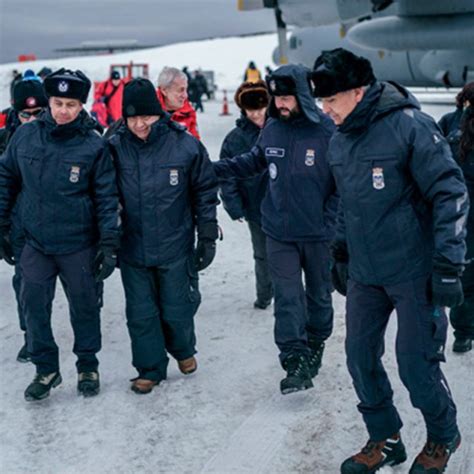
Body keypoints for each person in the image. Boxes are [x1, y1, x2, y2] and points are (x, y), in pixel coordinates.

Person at [312, 48, 468, 474]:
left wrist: (450, 265)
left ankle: (442, 435)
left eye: (331, 101)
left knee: (416, 364)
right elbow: (347, 200)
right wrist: (341, 250)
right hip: (366, 271)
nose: (326, 112)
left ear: (358, 91)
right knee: (359, 357)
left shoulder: (409, 127)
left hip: (414, 271)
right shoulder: (340, 138)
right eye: (321, 103)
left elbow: (450, 193)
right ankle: (386, 438)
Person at [214, 64, 337, 395]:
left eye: (286, 97)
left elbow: (343, 185)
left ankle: (316, 341)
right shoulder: (272, 128)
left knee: (318, 297)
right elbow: (254, 160)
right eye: (276, 97)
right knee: (286, 297)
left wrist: (330, 220)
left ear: (303, 96)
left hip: (317, 233)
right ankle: (294, 358)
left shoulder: (327, 131)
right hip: (278, 230)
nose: (280, 103)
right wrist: (213, 169)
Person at [0, 68, 120, 401]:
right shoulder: (25, 137)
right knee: (33, 306)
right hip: (35, 242)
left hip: (78, 244)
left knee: (84, 307)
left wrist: (109, 243)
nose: (63, 110)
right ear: (48, 102)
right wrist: (2, 228)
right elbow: (6, 179)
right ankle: (46, 369)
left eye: (70, 103)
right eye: (57, 102)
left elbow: (107, 199)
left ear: (82, 105)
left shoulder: (94, 146)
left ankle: (87, 365)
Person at [108, 78, 219, 395]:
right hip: (133, 248)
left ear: (158, 113)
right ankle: (150, 368)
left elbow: (205, 191)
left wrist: (207, 234)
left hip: (175, 245)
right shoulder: (115, 147)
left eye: (145, 116)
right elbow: (104, 195)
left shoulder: (184, 145)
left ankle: (183, 349)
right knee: (141, 314)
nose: (139, 124)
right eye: (131, 118)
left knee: (176, 309)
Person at [0, 70, 49, 364]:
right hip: (21, 225)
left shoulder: (58, 135)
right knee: (26, 285)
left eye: (37, 112)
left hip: (58, 222)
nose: (30, 119)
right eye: (25, 113)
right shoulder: (5, 140)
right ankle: (31, 335)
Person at [219, 80, 273, 309]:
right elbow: (227, 175)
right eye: (252, 111)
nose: (257, 115)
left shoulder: (280, 130)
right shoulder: (234, 139)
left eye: (261, 109)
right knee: (262, 255)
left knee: (289, 253)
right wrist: (234, 205)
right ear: (244, 110)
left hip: (286, 204)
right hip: (255, 206)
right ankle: (264, 295)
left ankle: (290, 294)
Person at [438, 82, 474, 353]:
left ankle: (463, 330)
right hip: (457, 209)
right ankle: (462, 330)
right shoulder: (450, 122)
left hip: (460, 208)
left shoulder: (451, 122)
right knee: (463, 271)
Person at [156, 66, 200, 139]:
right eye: (181, 90)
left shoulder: (188, 113)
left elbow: (196, 146)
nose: (185, 95)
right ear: (164, 91)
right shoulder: (149, 114)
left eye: (186, 90)